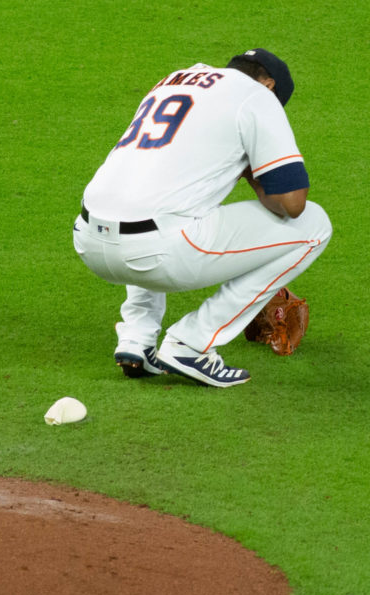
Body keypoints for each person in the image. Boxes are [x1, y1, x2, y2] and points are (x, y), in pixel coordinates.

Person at [73, 48, 332, 387]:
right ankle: (191, 344)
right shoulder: (257, 96)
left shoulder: (175, 80)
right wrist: (251, 170)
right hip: (155, 254)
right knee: (314, 224)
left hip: (88, 240)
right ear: (268, 85)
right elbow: (292, 204)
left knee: (155, 199)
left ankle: (136, 338)